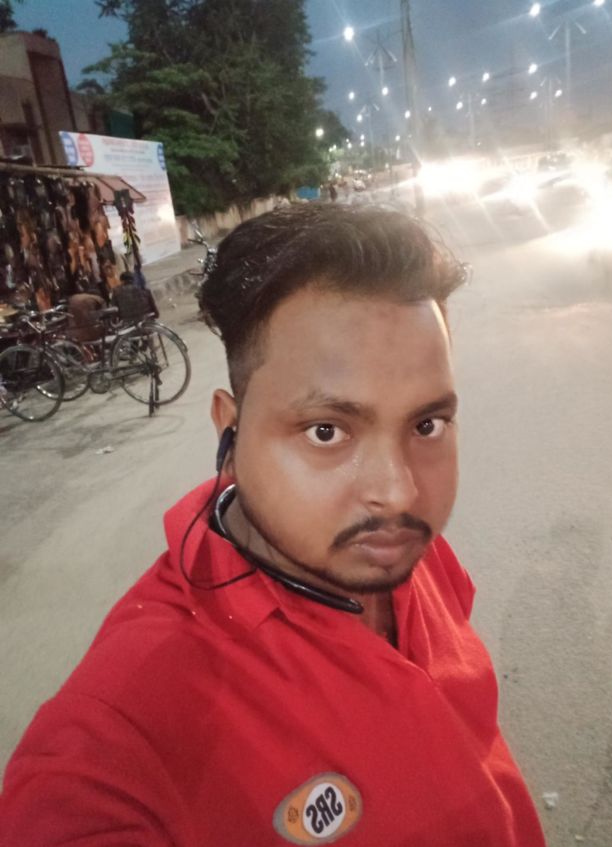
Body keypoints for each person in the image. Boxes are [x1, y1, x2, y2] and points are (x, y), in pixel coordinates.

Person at [0, 205, 546, 846]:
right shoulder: (131, 729)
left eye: (426, 425)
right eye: (327, 431)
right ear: (230, 432)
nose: (399, 491)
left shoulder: (405, 554)